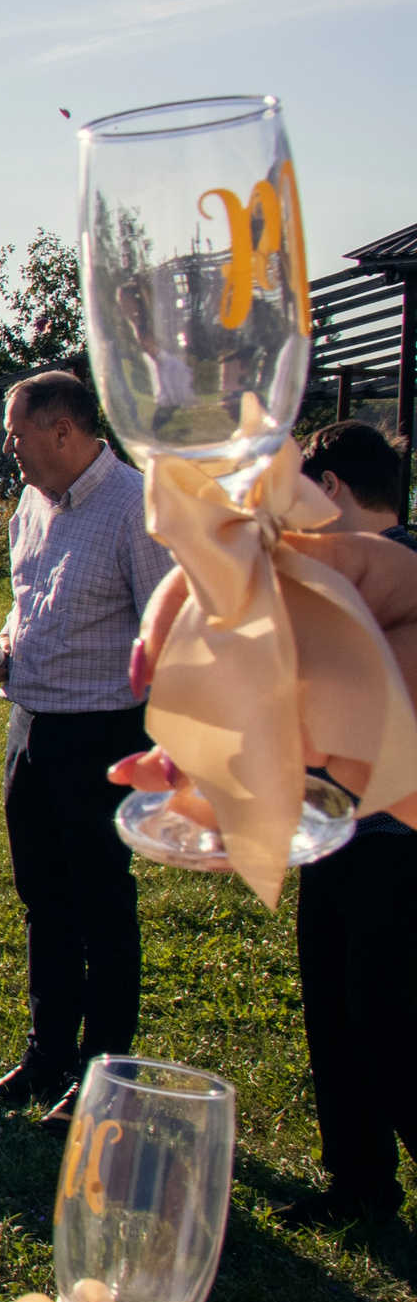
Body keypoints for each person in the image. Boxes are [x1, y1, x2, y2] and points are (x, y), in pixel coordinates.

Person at [0, 372, 171, 1131]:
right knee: (42, 898)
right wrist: (7, 648)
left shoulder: (138, 507)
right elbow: (30, 597)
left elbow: (165, 634)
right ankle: (45, 1055)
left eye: (15, 432)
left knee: (100, 906)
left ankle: (106, 1075)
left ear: (61, 430)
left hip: (102, 735)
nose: (6, 445)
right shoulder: (32, 504)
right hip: (32, 724)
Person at [279, 421, 417, 1227]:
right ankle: (360, 1181)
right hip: (328, 829)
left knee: (387, 1018)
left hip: (398, 847)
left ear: (329, 489)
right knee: (333, 1009)